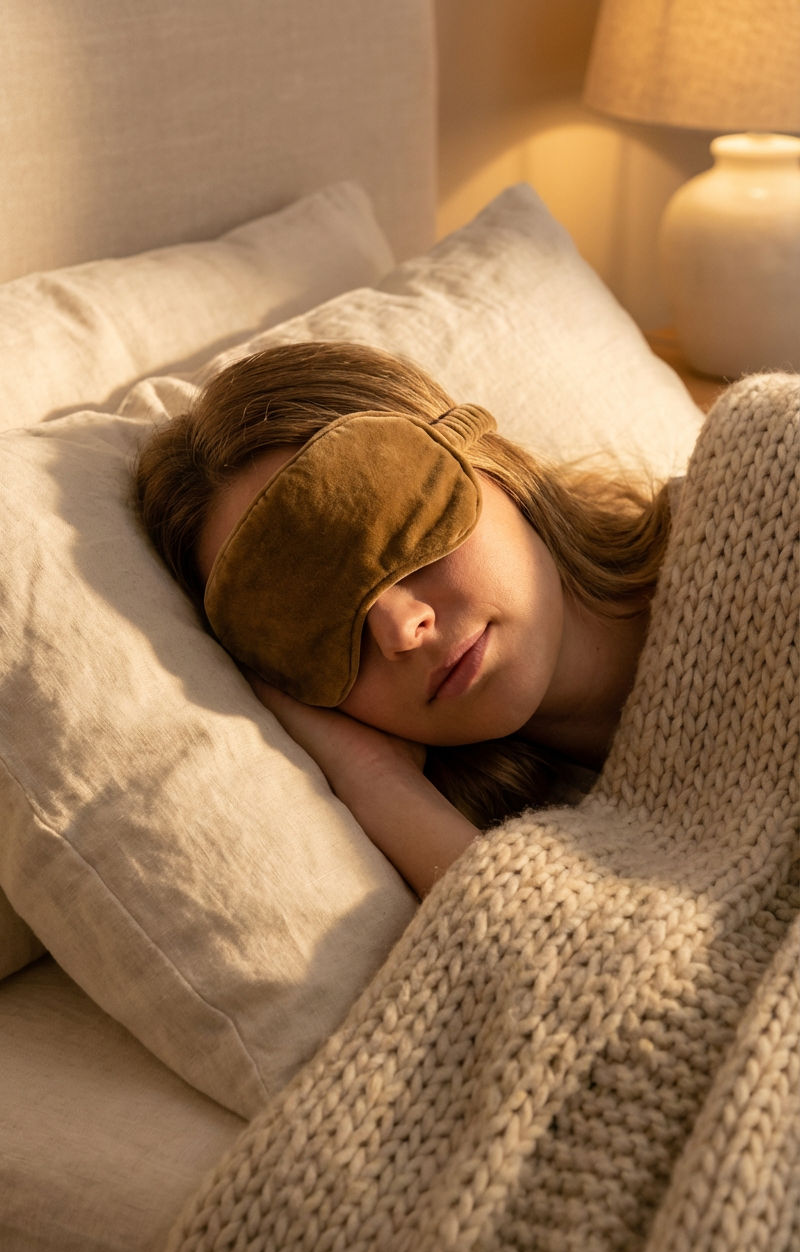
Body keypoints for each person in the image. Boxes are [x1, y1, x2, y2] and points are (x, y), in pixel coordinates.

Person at [135, 341, 670, 897]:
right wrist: (376, 780)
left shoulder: (760, 491)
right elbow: (585, 975)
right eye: (309, 622)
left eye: (393, 532)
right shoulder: (543, 848)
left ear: (482, 460)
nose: (398, 629)